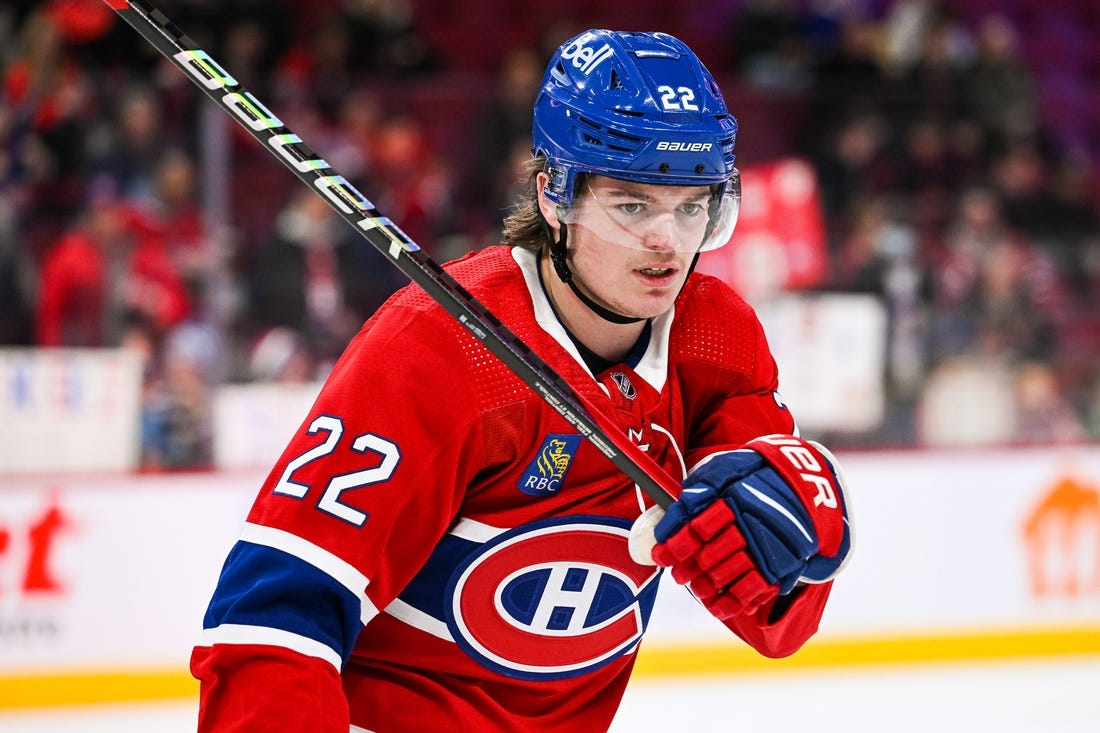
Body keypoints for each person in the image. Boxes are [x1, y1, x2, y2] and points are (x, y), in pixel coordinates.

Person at [192, 29, 853, 732]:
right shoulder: (437, 348)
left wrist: (801, 519)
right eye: (632, 205)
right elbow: (268, 625)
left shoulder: (714, 340)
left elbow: (777, 621)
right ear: (554, 196)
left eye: (693, 206)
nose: (669, 240)